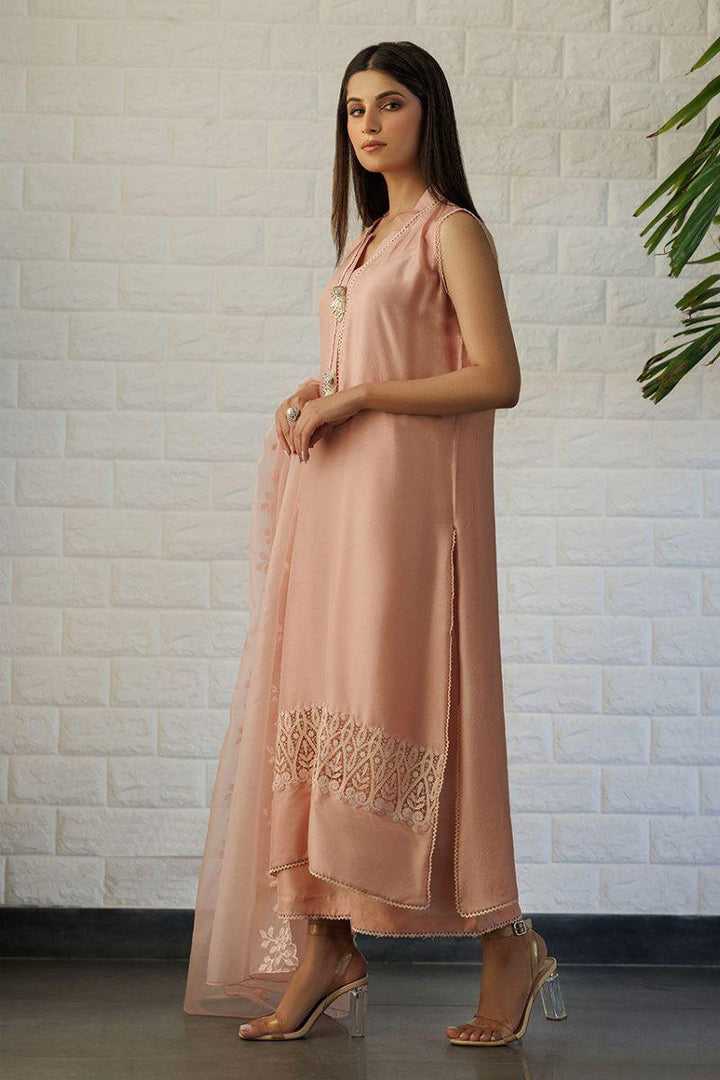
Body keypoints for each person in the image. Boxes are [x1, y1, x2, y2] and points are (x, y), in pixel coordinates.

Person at [183, 40, 568, 1046]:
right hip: (337, 506)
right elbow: (373, 360)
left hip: (411, 516)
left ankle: (507, 942)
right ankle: (326, 945)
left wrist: (359, 398)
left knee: (418, 706)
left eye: (390, 103)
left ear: (427, 112)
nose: (368, 123)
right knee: (322, 704)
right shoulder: (366, 242)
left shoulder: (450, 230)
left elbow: (497, 376)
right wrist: (320, 388)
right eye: (354, 107)